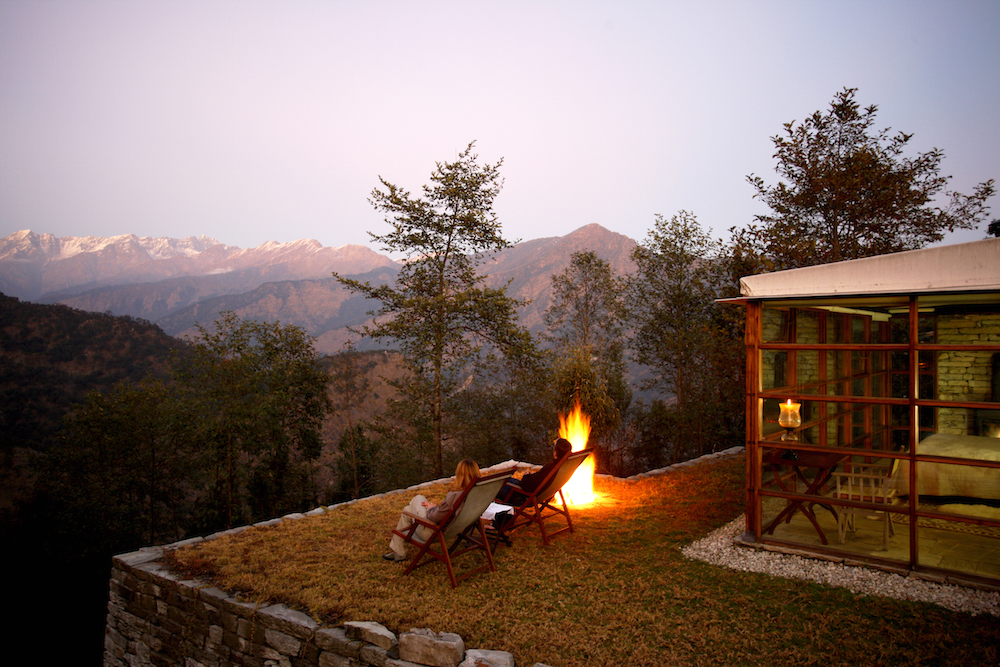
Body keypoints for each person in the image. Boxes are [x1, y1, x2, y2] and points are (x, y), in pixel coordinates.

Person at [383, 458, 481, 562]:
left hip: (433, 532)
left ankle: (399, 552)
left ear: (459, 474)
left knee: (417, 498)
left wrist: (432, 508)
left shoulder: (456, 496)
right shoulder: (477, 492)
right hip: (452, 529)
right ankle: (398, 552)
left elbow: (434, 517)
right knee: (407, 510)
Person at [496, 438, 573, 506]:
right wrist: (533, 476)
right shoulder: (562, 467)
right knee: (507, 479)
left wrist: (526, 475)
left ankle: (503, 518)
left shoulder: (550, 468)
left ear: (556, 452)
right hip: (540, 492)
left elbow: (527, 485)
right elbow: (539, 479)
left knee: (496, 485)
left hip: (522, 495)